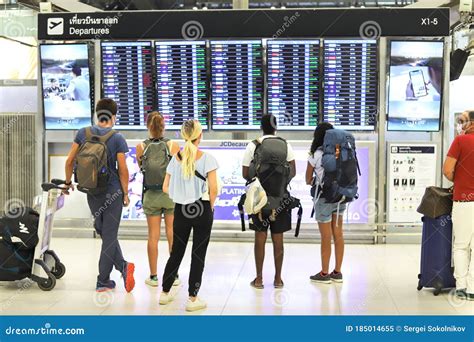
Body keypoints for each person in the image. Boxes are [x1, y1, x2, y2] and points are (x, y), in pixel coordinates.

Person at [63, 98, 135, 293]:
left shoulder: (82, 133)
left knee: (104, 233)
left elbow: (69, 161)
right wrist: (125, 194)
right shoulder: (117, 138)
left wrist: (68, 183)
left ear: (97, 114)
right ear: (113, 116)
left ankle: (123, 267)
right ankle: (104, 280)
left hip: (91, 191)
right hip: (112, 192)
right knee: (109, 234)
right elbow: (123, 170)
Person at [159, 119, 218, 312]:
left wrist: (181, 195)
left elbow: (165, 187)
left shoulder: (175, 158)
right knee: (198, 254)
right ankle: (192, 299)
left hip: (181, 209)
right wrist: (209, 206)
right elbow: (213, 190)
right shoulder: (207, 158)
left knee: (177, 251)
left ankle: (165, 293)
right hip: (202, 208)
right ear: (199, 136)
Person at [242, 114, 296, 289]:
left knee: (260, 237)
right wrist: (280, 184)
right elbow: (293, 171)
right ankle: (278, 279)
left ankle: (258, 279)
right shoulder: (286, 145)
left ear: (261, 127)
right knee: (278, 238)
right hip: (280, 199)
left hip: (259, 200)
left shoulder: (254, 145)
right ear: (276, 127)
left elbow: (245, 173)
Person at [136, 112, 180, 287]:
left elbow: (142, 168)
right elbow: (177, 170)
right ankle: (173, 275)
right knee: (172, 233)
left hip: (151, 195)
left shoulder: (140, 146)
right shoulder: (173, 145)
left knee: (153, 236)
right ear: (164, 126)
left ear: (148, 126)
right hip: (170, 194)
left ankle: (153, 277)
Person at [305, 122, 346, 284]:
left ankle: (324, 274)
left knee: (325, 237)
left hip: (323, 199)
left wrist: (317, 179)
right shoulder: (340, 151)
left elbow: (308, 180)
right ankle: (337, 272)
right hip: (341, 197)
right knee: (338, 235)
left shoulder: (316, 155)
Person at [443, 110, 474, 301]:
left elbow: (447, 170)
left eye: (462, 121)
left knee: (461, 245)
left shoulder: (461, 141)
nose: (460, 124)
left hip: (464, 201)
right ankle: (473, 288)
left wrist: (460, 180)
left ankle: (462, 287)